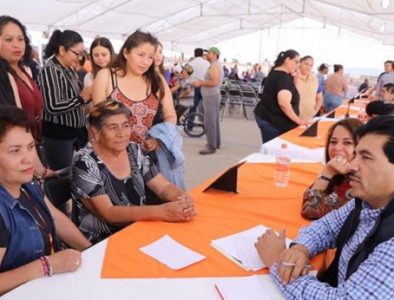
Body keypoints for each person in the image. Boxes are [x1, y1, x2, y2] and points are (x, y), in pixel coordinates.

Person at [256, 115, 394, 299]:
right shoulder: (366, 202)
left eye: (366, 157)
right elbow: (326, 227)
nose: (352, 165)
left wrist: (278, 262)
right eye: (356, 154)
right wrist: (300, 249)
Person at [71, 100, 195, 244]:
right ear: (95, 131)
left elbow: (162, 187)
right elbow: (109, 213)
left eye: (126, 126)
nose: (122, 134)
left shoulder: (133, 150)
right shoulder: (83, 162)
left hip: (139, 227)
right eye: (113, 128)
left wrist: (182, 198)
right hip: (103, 241)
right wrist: (162, 212)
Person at [0, 106, 91, 295]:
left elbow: (56, 219)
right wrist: (46, 265)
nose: (29, 159)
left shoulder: (26, 186)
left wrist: (91, 252)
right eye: (15, 151)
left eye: (31, 147)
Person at [92, 30, 176, 154]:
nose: (146, 62)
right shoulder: (106, 76)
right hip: (112, 154)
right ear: (126, 52)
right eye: (141, 55)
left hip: (146, 157)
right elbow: (97, 118)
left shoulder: (157, 81)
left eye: (150, 57)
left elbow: (170, 116)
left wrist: (159, 138)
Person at [38, 29, 90, 171]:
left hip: (73, 133)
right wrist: (82, 98)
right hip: (58, 135)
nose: (79, 58)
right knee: (62, 174)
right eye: (77, 53)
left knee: (74, 172)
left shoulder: (69, 69)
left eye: (82, 54)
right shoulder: (51, 70)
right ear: (62, 50)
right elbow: (52, 106)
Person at [301, 118, 363, 219]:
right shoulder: (339, 172)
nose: (337, 148)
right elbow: (309, 195)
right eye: (333, 142)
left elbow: (309, 210)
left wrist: (327, 173)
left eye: (347, 143)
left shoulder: (355, 181)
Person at [0, 16, 43, 140]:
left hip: (34, 140)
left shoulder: (25, 69)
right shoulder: (3, 76)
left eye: (21, 39)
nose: (16, 45)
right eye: (9, 39)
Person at [254, 49, 307, 143]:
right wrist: (298, 120)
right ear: (287, 60)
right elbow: (284, 103)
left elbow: (289, 92)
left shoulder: (276, 73)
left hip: (267, 117)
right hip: (274, 122)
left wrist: (295, 79)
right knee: (275, 151)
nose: (298, 65)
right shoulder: (283, 78)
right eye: (296, 62)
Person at [193, 47, 224, 155]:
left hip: (211, 96)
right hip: (212, 95)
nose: (207, 54)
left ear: (215, 54)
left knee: (209, 121)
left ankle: (211, 146)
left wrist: (200, 83)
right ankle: (216, 142)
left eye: (209, 53)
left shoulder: (215, 65)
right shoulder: (215, 65)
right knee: (213, 120)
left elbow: (214, 81)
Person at [295, 55, 323, 121]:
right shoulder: (292, 77)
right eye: (306, 64)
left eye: (311, 65)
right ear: (300, 63)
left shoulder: (315, 79)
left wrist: (314, 112)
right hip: (293, 118)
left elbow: (319, 98)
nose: (308, 67)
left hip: (308, 119)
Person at [188, 48, 209, 117]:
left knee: (193, 106)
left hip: (194, 86)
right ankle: (206, 123)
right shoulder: (207, 63)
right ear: (202, 54)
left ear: (194, 54)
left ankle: (190, 125)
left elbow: (186, 76)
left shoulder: (190, 63)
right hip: (204, 86)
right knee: (205, 106)